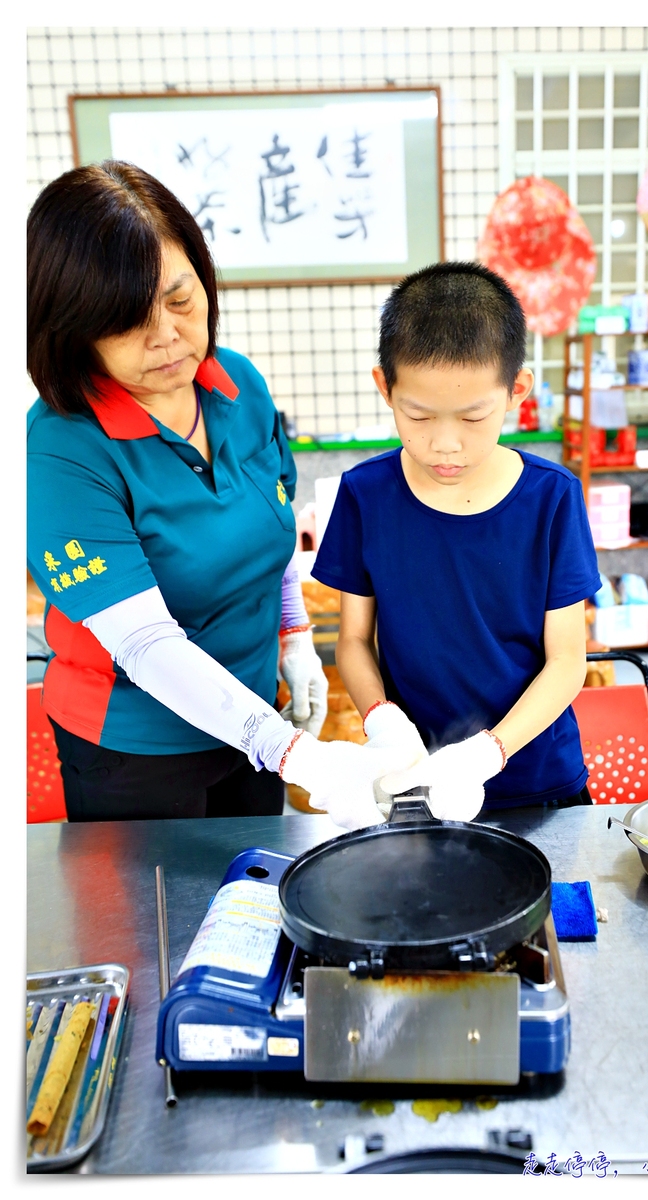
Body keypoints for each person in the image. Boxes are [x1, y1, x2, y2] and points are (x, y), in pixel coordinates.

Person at [26, 161, 419, 827]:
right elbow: (146, 643)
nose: (168, 335)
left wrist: (294, 636)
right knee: (156, 926)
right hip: (132, 749)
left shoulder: (237, 385)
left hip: (252, 717)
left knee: (253, 902)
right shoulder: (60, 450)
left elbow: (275, 526)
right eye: (127, 321)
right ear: (71, 328)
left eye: (181, 300)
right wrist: (293, 752)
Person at [311, 261, 602, 824]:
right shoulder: (365, 497)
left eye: (473, 417)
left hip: (537, 777)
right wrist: (382, 721)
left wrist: (487, 753)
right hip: (416, 784)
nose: (445, 444)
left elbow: (567, 660)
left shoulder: (552, 500)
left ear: (517, 390)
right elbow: (352, 640)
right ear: (384, 387)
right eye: (416, 415)